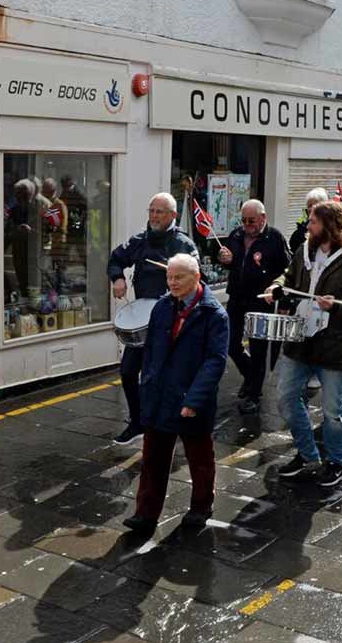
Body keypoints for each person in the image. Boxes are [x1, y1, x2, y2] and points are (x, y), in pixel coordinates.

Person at [268, 201, 342, 486]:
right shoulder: (304, 250)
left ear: (329, 226)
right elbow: (289, 277)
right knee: (286, 399)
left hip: (333, 342)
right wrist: (276, 287)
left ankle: (338, 462)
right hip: (299, 339)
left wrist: (336, 306)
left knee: (333, 410)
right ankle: (307, 453)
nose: (308, 227)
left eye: (313, 222)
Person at [123, 255, 228, 535]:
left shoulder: (214, 314)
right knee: (153, 458)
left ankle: (201, 507)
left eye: (178, 277)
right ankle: (145, 514)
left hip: (191, 398)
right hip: (160, 395)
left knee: (200, 459)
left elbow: (215, 361)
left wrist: (194, 400)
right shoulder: (162, 306)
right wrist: (147, 386)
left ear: (195, 277)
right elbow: (151, 352)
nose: (172, 283)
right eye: (169, 277)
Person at [107, 193, 199, 446]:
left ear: (173, 215)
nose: (154, 216)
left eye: (160, 212)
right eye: (151, 211)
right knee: (128, 373)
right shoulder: (139, 241)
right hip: (143, 322)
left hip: (171, 321)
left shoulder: (184, 245)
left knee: (160, 377)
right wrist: (118, 278)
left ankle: (163, 424)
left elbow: (196, 279)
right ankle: (137, 423)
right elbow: (116, 259)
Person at [217, 199, 291, 413]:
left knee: (259, 348)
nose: (247, 225)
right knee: (231, 344)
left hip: (260, 299)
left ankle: (254, 394)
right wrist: (225, 259)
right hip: (237, 297)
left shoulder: (275, 238)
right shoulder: (236, 235)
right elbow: (228, 261)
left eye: (251, 220)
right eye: (243, 220)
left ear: (263, 218)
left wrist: (281, 298)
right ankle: (250, 375)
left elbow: (287, 272)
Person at [290, 187, 329, 256]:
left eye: (315, 205)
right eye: (309, 205)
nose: (312, 208)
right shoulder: (303, 225)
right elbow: (294, 244)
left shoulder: (330, 226)